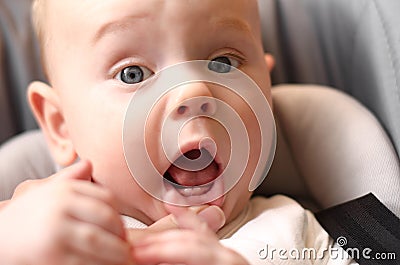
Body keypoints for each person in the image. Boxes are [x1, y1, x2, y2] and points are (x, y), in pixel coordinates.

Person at [0, 0, 356, 264]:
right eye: (133, 74)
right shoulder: (46, 236)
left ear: (266, 91)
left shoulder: (290, 235)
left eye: (223, 63)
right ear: (61, 125)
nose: (193, 92)